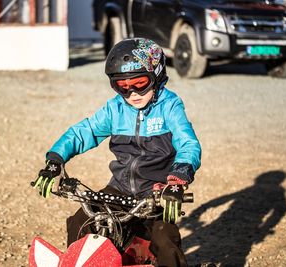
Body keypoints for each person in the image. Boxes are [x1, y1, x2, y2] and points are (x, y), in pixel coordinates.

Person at [32, 38, 201, 267]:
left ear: (157, 74)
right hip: (119, 188)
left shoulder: (169, 106)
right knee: (80, 221)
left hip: (155, 194)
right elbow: (84, 131)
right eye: (122, 86)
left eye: (140, 83)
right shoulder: (115, 109)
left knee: (165, 240)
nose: (132, 93)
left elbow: (188, 144)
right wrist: (55, 160)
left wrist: (177, 180)